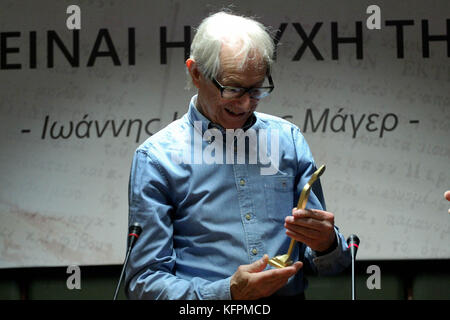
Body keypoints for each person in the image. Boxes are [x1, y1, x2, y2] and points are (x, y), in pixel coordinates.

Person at [125, 11, 351, 300]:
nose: (245, 104)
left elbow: (331, 263)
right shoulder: (157, 159)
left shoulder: (288, 141)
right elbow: (143, 284)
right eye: (232, 89)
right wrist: (227, 293)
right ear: (196, 73)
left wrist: (327, 244)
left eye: (256, 90)